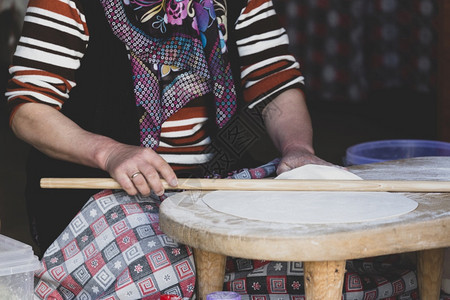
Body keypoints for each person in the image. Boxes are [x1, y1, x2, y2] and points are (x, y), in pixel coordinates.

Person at [5, 0, 417, 299]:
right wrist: (110, 152)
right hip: (105, 198)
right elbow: (29, 109)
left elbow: (275, 85)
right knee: (161, 278)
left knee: (339, 260)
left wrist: (298, 150)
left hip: (215, 185)